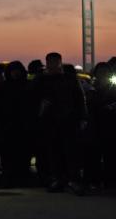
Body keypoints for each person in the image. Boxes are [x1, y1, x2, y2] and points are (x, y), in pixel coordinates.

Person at [34, 52, 87, 195]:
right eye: (50, 62)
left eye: (55, 62)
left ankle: (72, 180)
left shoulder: (69, 79)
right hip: (50, 121)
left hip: (68, 120)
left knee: (71, 152)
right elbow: (33, 98)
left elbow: (79, 98)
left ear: (60, 62)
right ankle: (59, 179)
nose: (52, 65)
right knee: (54, 151)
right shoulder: (42, 80)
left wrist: (82, 117)